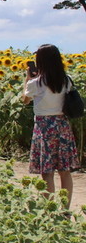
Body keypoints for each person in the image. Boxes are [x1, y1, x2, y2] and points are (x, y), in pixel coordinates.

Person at [22, 44, 78, 211]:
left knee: (47, 172)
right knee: (65, 170)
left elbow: (25, 100)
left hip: (44, 127)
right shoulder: (66, 79)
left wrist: (27, 77)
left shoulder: (36, 83)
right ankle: (65, 209)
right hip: (62, 125)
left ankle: (49, 210)